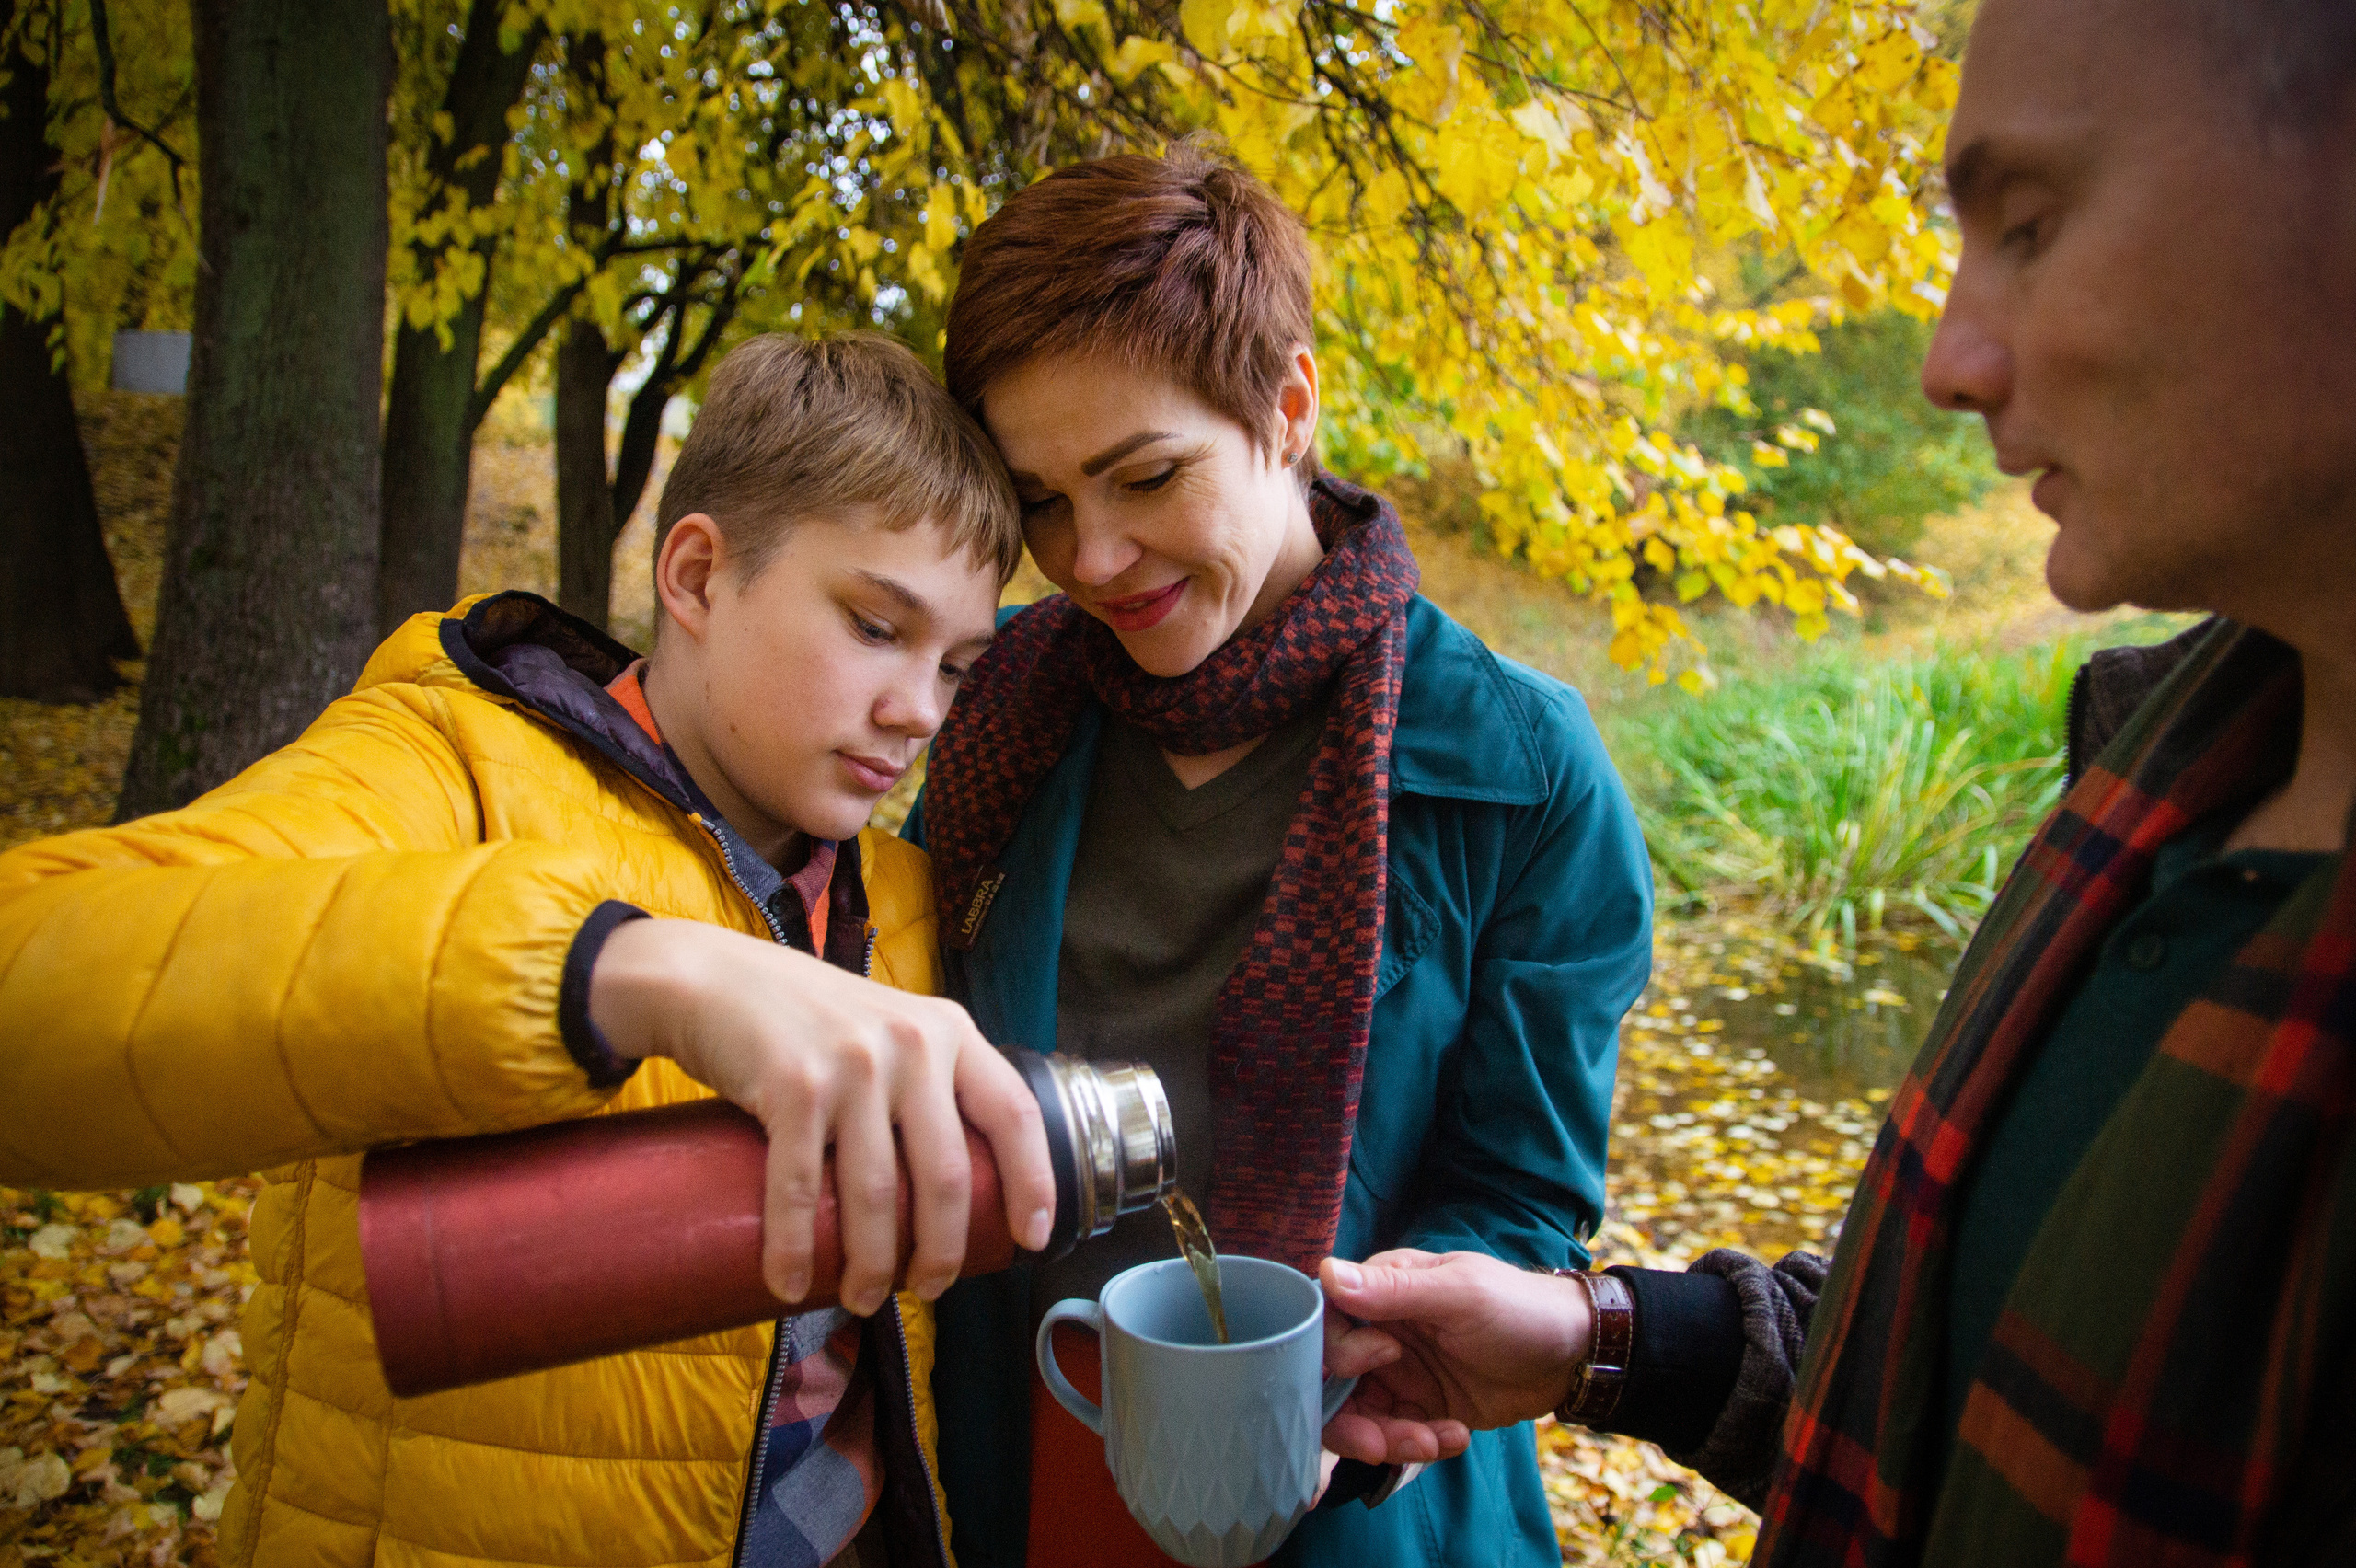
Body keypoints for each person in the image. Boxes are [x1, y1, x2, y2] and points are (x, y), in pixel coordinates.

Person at [1314, 1, 2356, 1562]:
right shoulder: (2164, 762)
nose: (1950, 358)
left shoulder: (1515, 755)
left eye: (2030, 223)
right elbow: (1948, 1350)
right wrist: (1603, 1341)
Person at [0, 333, 1058, 1568]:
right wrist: (623, 970)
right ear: (700, 575)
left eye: (956, 666)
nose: (919, 710)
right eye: (878, 627)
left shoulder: (910, 897)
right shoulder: (448, 772)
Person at [903, 144, 1654, 1568]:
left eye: (1144, 476)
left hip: (1351, 1499)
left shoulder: (1520, 768)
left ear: (1289, 404)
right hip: (1024, 1457)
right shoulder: (993, 708)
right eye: (1042, 502)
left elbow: (1523, 1189)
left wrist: (1344, 1373)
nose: (1093, 558)